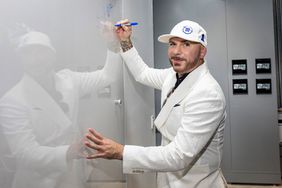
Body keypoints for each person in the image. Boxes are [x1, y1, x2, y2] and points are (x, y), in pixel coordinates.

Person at [84, 19, 227, 188]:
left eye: (186, 44)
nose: (176, 51)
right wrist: (124, 41)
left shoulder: (208, 93)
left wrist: (122, 152)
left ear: (202, 51)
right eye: (173, 44)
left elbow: (179, 155)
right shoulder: (173, 76)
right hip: (168, 178)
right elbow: (142, 73)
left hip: (196, 183)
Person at [0, 26, 121, 188]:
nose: (35, 59)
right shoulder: (12, 100)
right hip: (38, 181)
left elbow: (107, 76)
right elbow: (25, 153)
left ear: (52, 56)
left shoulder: (69, 80)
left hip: (71, 177)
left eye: (40, 52)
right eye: (28, 54)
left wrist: (112, 43)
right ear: (22, 59)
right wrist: (69, 151)